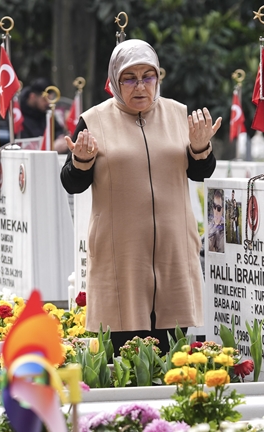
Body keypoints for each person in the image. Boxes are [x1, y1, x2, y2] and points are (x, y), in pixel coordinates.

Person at [60, 39, 219, 353]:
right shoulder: (94, 121)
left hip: (173, 249)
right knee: (126, 350)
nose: (140, 86)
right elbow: (72, 183)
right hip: (122, 255)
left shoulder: (178, 115)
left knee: (171, 349)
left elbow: (201, 172)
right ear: (115, 82)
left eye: (149, 76)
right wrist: (81, 160)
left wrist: (200, 147)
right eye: (129, 78)